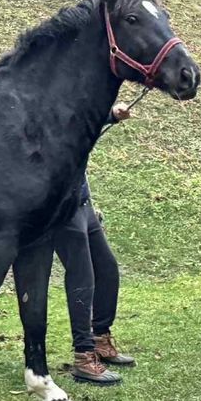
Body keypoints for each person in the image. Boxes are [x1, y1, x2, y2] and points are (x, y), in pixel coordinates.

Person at [54, 102, 138, 384]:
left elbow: (81, 116)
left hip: (83, 204)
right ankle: (83, 356)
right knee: (82, 277)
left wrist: (110, 115)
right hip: (62, 208)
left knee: (107, 270)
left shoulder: (69, 98)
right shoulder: (47, 103)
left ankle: (100, 337)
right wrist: (109, 115)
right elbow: (67, 117)